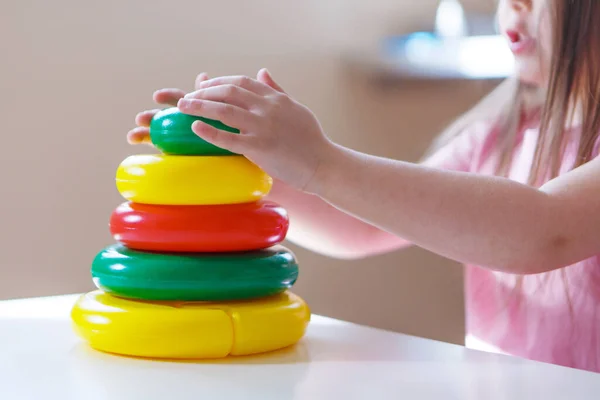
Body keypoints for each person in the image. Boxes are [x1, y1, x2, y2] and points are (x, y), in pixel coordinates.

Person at [127, 0, 600, 372]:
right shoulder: (498, 135)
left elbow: (542, 232)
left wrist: (321, 160)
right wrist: (262, 168)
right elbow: (361, 226)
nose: (511, 4)